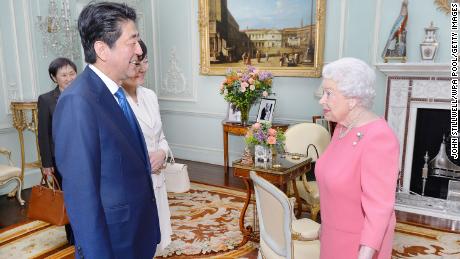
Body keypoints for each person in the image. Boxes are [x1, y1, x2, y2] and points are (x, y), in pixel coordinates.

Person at [52, 2, 161, 258]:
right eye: (131, 41)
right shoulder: (78, 101)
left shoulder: (114, 93)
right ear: (102, 49)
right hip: (113, 243)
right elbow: (82, 195)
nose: (138, 50)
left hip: (134, 233)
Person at [315, 57, 399, 259]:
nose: (321, 100)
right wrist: (325, 227)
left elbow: (380, 207)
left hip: (358, 245)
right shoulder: (342, 127)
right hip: (333, 235)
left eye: (329, 93)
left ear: (353, 99)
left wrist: (365, 254)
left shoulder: (379, 137)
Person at [121, 40, 172, 254]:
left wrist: (162, 152)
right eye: (136, 62)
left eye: (145, 62)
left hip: (158, 180)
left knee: (157, 239)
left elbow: (160, 136)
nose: (142, 68)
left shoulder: (149, 95)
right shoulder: (116, 101)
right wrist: (145, 162)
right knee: (137, 241)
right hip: (134, 184)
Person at [37, 57, 77, 245]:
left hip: (83, 155)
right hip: (60, 159)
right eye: (64, 75)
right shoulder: (46, 100)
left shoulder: (84, 94)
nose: (69, 78)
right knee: (68, 198)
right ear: (54, 78)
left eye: (72, 73)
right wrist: (46, 164)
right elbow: (43, 134)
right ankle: (73, 236)